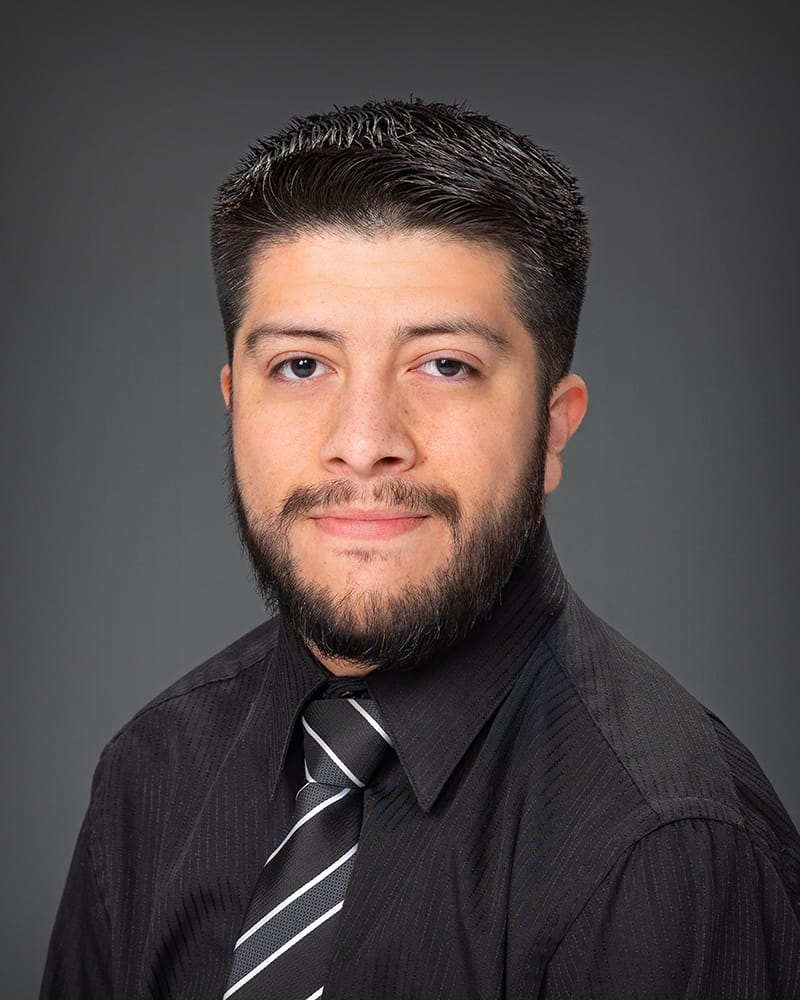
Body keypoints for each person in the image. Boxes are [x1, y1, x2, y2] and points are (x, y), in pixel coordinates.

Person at [41, 99, 800, 1000]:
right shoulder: (151, 774)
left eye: (444, 364)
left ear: (552, 429)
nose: (364, 442)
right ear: (235, 402)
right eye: (300, 365)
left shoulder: (671, 852)